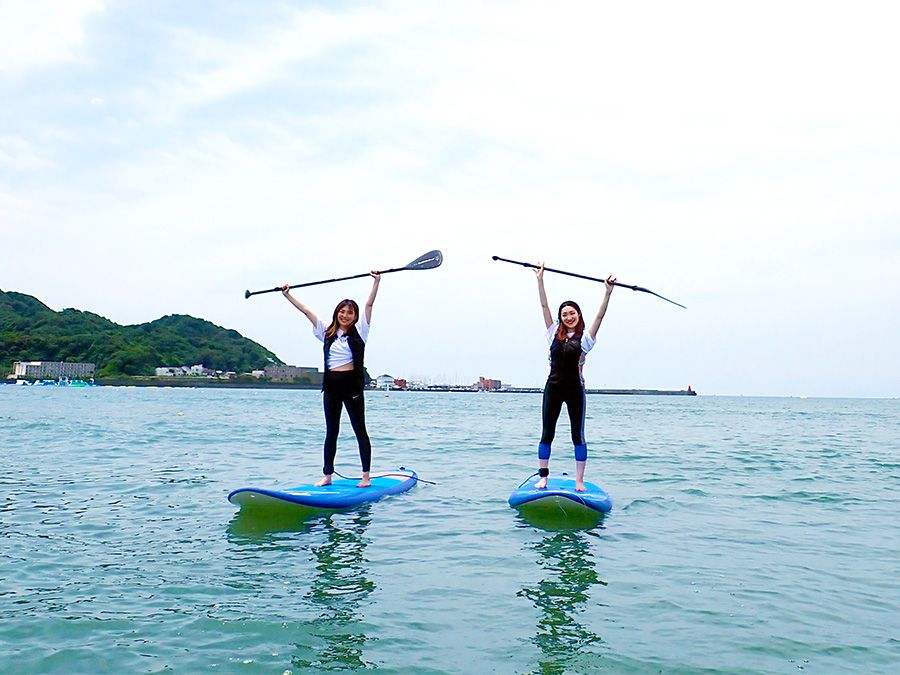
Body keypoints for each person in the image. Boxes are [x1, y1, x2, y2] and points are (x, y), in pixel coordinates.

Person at [281, 271, 381, 487]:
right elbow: (306, 311)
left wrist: (376, 282)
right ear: (337, 313)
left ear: (355, 317)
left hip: (352, 387)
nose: (346, 315)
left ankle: (365, 476)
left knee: (359, 429)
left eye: (350, 313)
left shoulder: (360, 333)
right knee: (331, 431)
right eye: (342, 312)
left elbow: (369, 306)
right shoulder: (326, 332)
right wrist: (288, 295)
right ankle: (327, 475)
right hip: (332, 387)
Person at [532, 263, 615, 491]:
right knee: (547, 432)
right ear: (560, 318)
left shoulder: (586, 339)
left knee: (577, 434)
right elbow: (544, 305)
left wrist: (607, 292)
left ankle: (579, 481)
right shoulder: (552, 335)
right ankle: (543, 477)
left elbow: (600, 316)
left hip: (575, 389)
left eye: (572, 313)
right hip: (553, 388)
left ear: (578, 315)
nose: (568, 317)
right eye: (564, 314)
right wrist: (540, 280)